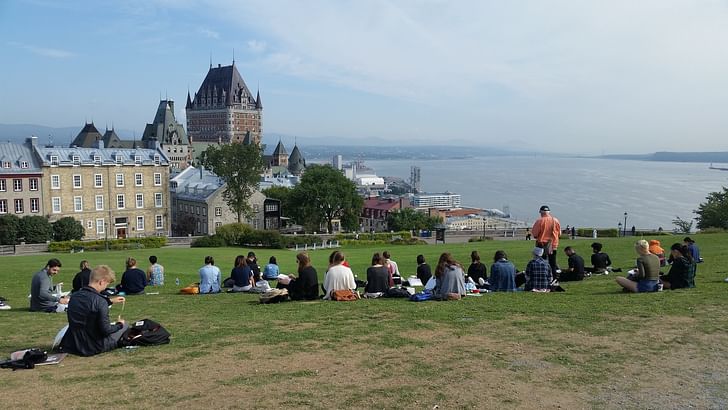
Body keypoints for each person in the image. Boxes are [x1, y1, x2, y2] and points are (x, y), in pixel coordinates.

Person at [60, 265, 127, 356]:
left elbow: (88, 307)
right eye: (107, 284)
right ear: (102, 282)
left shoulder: (74, 297)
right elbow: (106, 330)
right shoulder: (100, 301)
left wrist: (109, 301)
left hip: (73, 344)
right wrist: (120, 325)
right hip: (94, 345)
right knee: (125, 326)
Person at [531, 205, 561, 278]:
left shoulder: (539, 221)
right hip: (553, 245)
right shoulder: (555, 220)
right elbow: (559, 233)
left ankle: (543, 276)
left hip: (542, 244)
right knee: (552, 262)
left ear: (541, 212)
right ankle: (554, 277)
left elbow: (535, 234)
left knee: (541, 262)